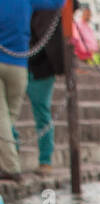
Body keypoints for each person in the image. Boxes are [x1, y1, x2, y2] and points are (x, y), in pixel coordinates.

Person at [0, 0, 64, 183]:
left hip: (19, 63)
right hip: (20, 67)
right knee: (8, 118)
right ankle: (6, 161)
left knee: (4, 119)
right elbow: (58, 2)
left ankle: (11, 167)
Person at [24, 1, 64, 178]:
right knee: (7, 114)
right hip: (18, 61)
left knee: (42, 112)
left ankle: (45, 160)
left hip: (42, 65)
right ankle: (11, 157)